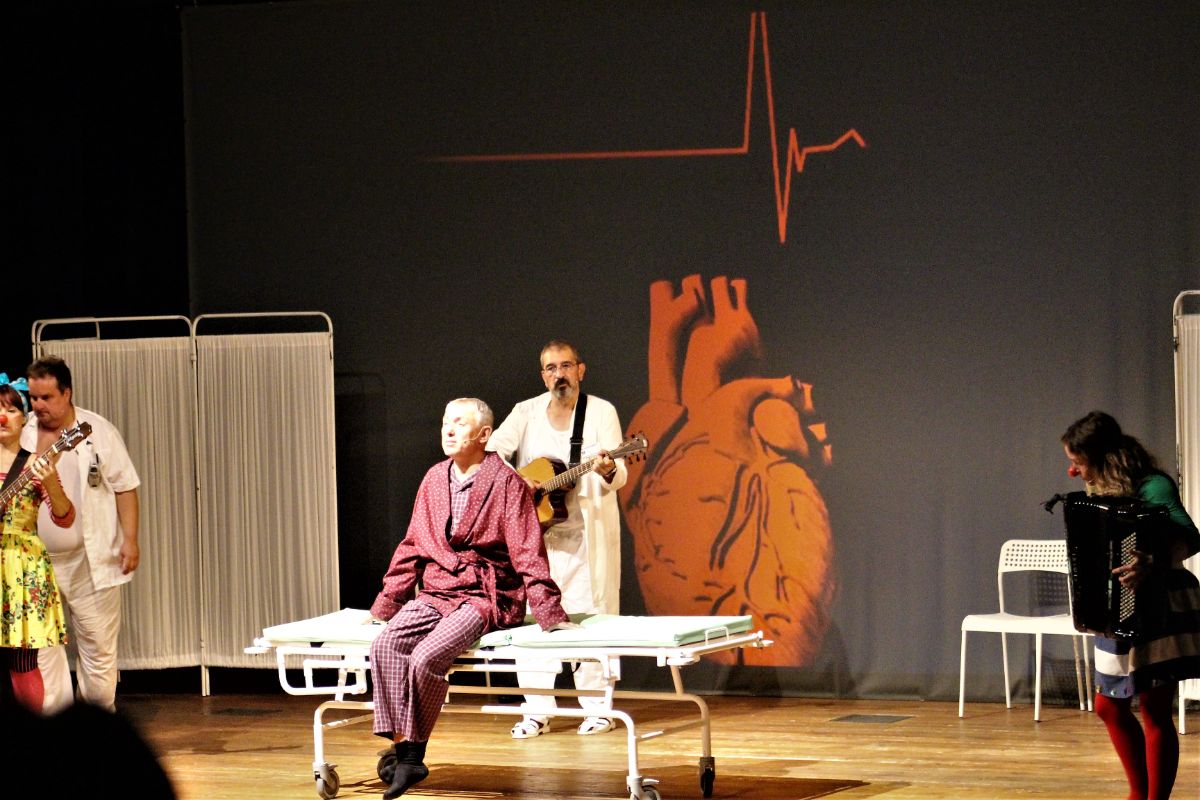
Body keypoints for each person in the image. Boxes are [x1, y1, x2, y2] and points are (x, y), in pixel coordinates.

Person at [369, 397, 575, 799]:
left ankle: (412, 757)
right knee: (385, 645)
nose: (448, 430)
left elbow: (527, 550)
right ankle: (402, 749)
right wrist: (387, 603)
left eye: (459, 424)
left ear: (484, 435)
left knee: (427, 656)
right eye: (445, 422)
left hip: (486, 593)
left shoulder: (507, 483)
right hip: (438, 587)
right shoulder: (434, 478)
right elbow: (413, 544)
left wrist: (549, 612)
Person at [487, 339, 627, 738]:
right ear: (543, 375)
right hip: (537, 539)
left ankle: (598, 708)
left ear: (580, 370)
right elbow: (492, 454)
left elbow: (618, 473)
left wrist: (606, 469)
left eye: (566, 366)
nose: (559, 374)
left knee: (590, 618)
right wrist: (521, 484)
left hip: (586, 539)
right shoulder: (526, 412)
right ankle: (536, 710)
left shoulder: (600, 412)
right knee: (535, 621)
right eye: (551, 368)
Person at [1062, 410, 1200, 800]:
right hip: (1115, 609)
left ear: (1101, 457)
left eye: (1078, 462)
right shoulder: (1099, 490)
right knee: (1108, 705)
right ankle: (1138, 794)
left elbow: (1191, 538)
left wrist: (1151, 561)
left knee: (1154, 708)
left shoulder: (1152, 485)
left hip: (1160, 603)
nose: (1074, 471)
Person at [21, 355, 141, 713]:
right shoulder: (21, 432)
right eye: (33, 397)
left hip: (90, 559)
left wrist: (130, 539)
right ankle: (53, 725)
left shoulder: (98, 431)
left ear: (67, 393)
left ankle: (96, 727)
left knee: (98, 645)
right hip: (35, 561)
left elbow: (125, 487)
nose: (38, 406)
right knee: (42, 648)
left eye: (46, 397)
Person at [0, 374, 74, 711]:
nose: (3, 417)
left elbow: (65, 517)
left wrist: (52, 484)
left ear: (24, 418)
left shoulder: (35, 464)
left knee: (23, 660)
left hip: (20, 567)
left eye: (11, 409)